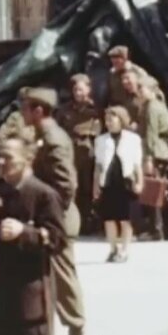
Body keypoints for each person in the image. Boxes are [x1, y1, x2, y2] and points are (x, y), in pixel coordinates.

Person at [0, 139, 83, 335]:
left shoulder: (43, 194)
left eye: (9, 158)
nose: (1, 163)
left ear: (27, 159)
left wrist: (25, 233)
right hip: (2, 295)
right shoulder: (2, 191)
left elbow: (58, 239)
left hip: (30, 298)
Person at [22, 87, 89, 335]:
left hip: (58, 221)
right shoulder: (44, 135)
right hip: (51, 219)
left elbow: (66, 184)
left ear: (38, 111)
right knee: (49, 279)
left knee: (63, 280)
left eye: (26, 107)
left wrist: (52, 217)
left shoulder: (52, 138)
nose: (22, 112)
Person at [94, 106, 144, 262]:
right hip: (109, 181)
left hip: (126, 180)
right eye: (106, 119)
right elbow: (98, 165)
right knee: (109, 218)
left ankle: (125, 249)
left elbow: (137, 164)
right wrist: (95, 186)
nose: (108, 122)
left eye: (111, 119)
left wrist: (140, 182)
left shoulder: (133, 139)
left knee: (125, 218)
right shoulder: (101, 140)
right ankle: (113, 248)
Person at [58, 74, 102, 234]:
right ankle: (73, 222)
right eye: (75, 89)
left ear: (88, 90)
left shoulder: (95, 110)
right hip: (71, 152)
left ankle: (89, 222)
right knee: (71, 187)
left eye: (81, 89)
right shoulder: (65, 110)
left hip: (89, 152)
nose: (78, 93)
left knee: (88, 188)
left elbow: (99, 129)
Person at [137, 78, 168, 241]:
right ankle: (164, 228)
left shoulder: (152, 107)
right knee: (161, 192)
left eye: (142, 89)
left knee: (154, 192)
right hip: (162, 151)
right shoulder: (156, 105)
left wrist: (148, 158)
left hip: (156, 153)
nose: (139, 92)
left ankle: (156, 229)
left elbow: (151, 134)